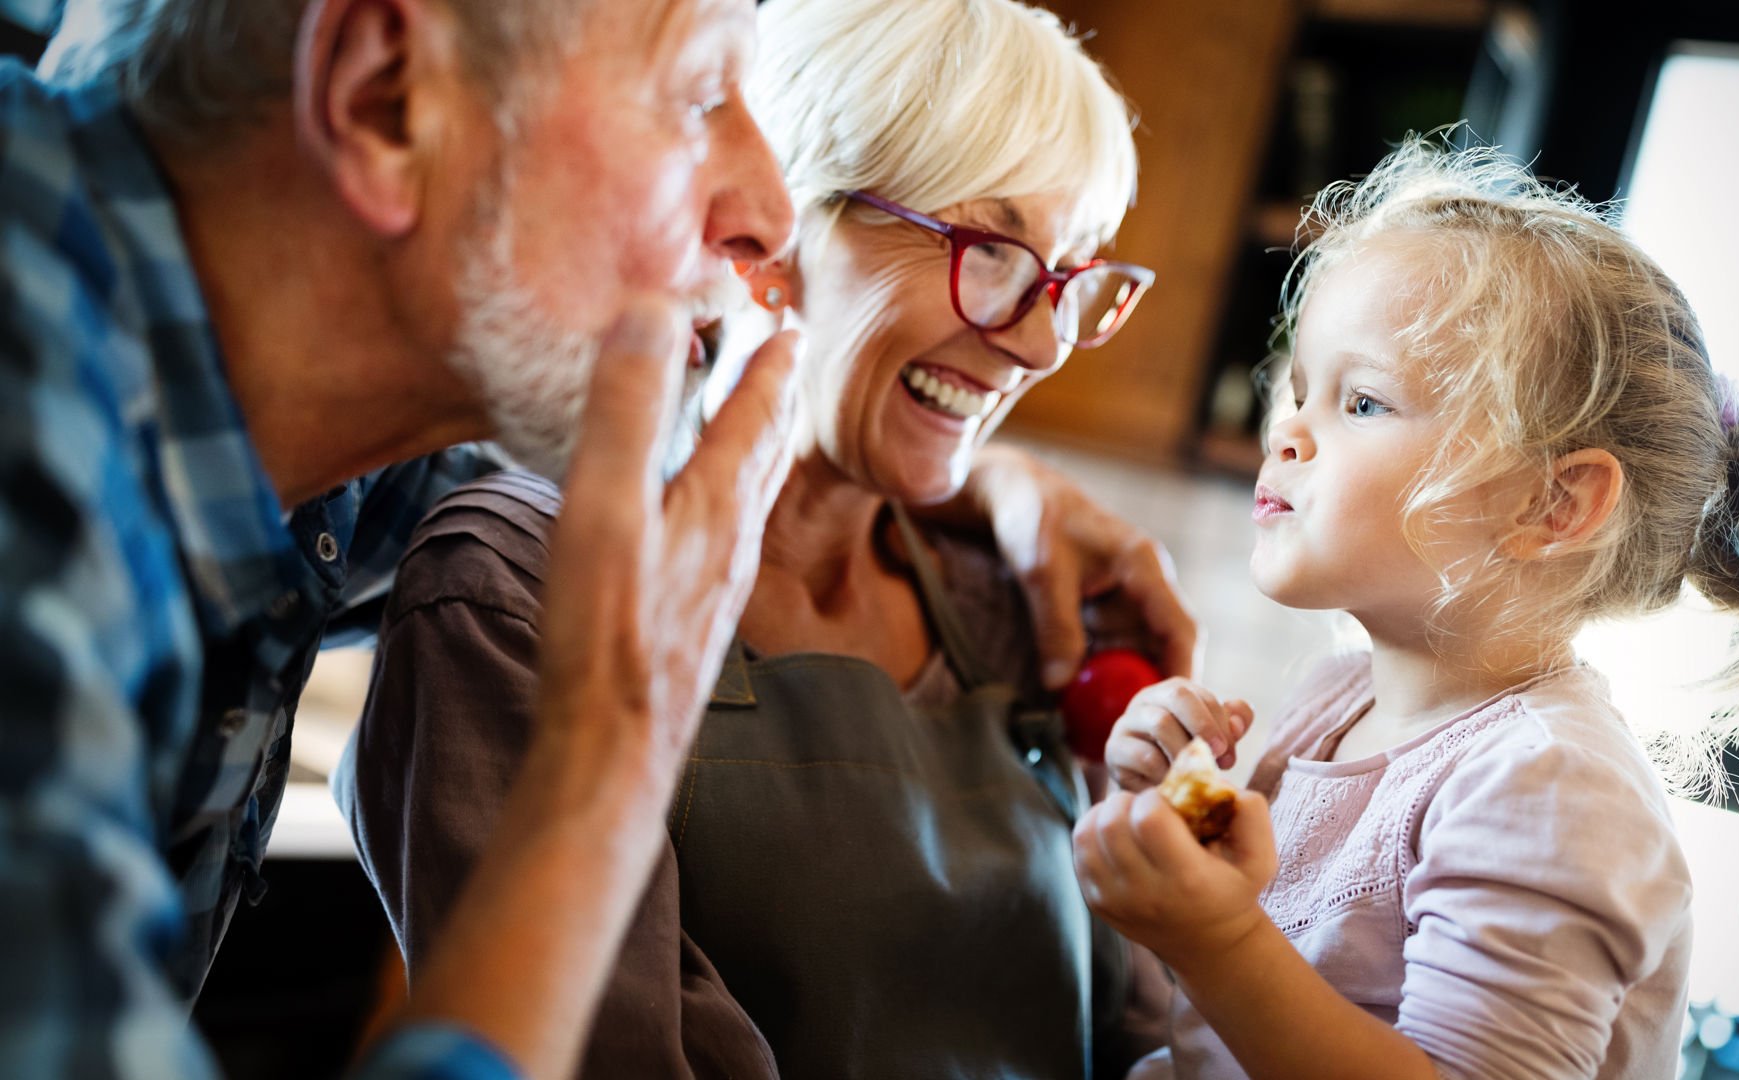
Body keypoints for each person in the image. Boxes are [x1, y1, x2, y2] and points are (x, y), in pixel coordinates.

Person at [0, 0, 1194, 1076]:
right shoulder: (34, 482)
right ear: (383, 100)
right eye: (694, 94)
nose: (765, 214)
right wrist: (603, 764)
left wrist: (985, 478)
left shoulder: (319, 478)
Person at [1073, 138, 1739, 1079]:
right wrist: (1159, 831)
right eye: (1299, 392)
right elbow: (1216, 1028)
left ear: (1554, 506)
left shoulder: (1550, 787)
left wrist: (1216, 937)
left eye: (1362, 402)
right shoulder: (1336, 703)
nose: (1286, 430)